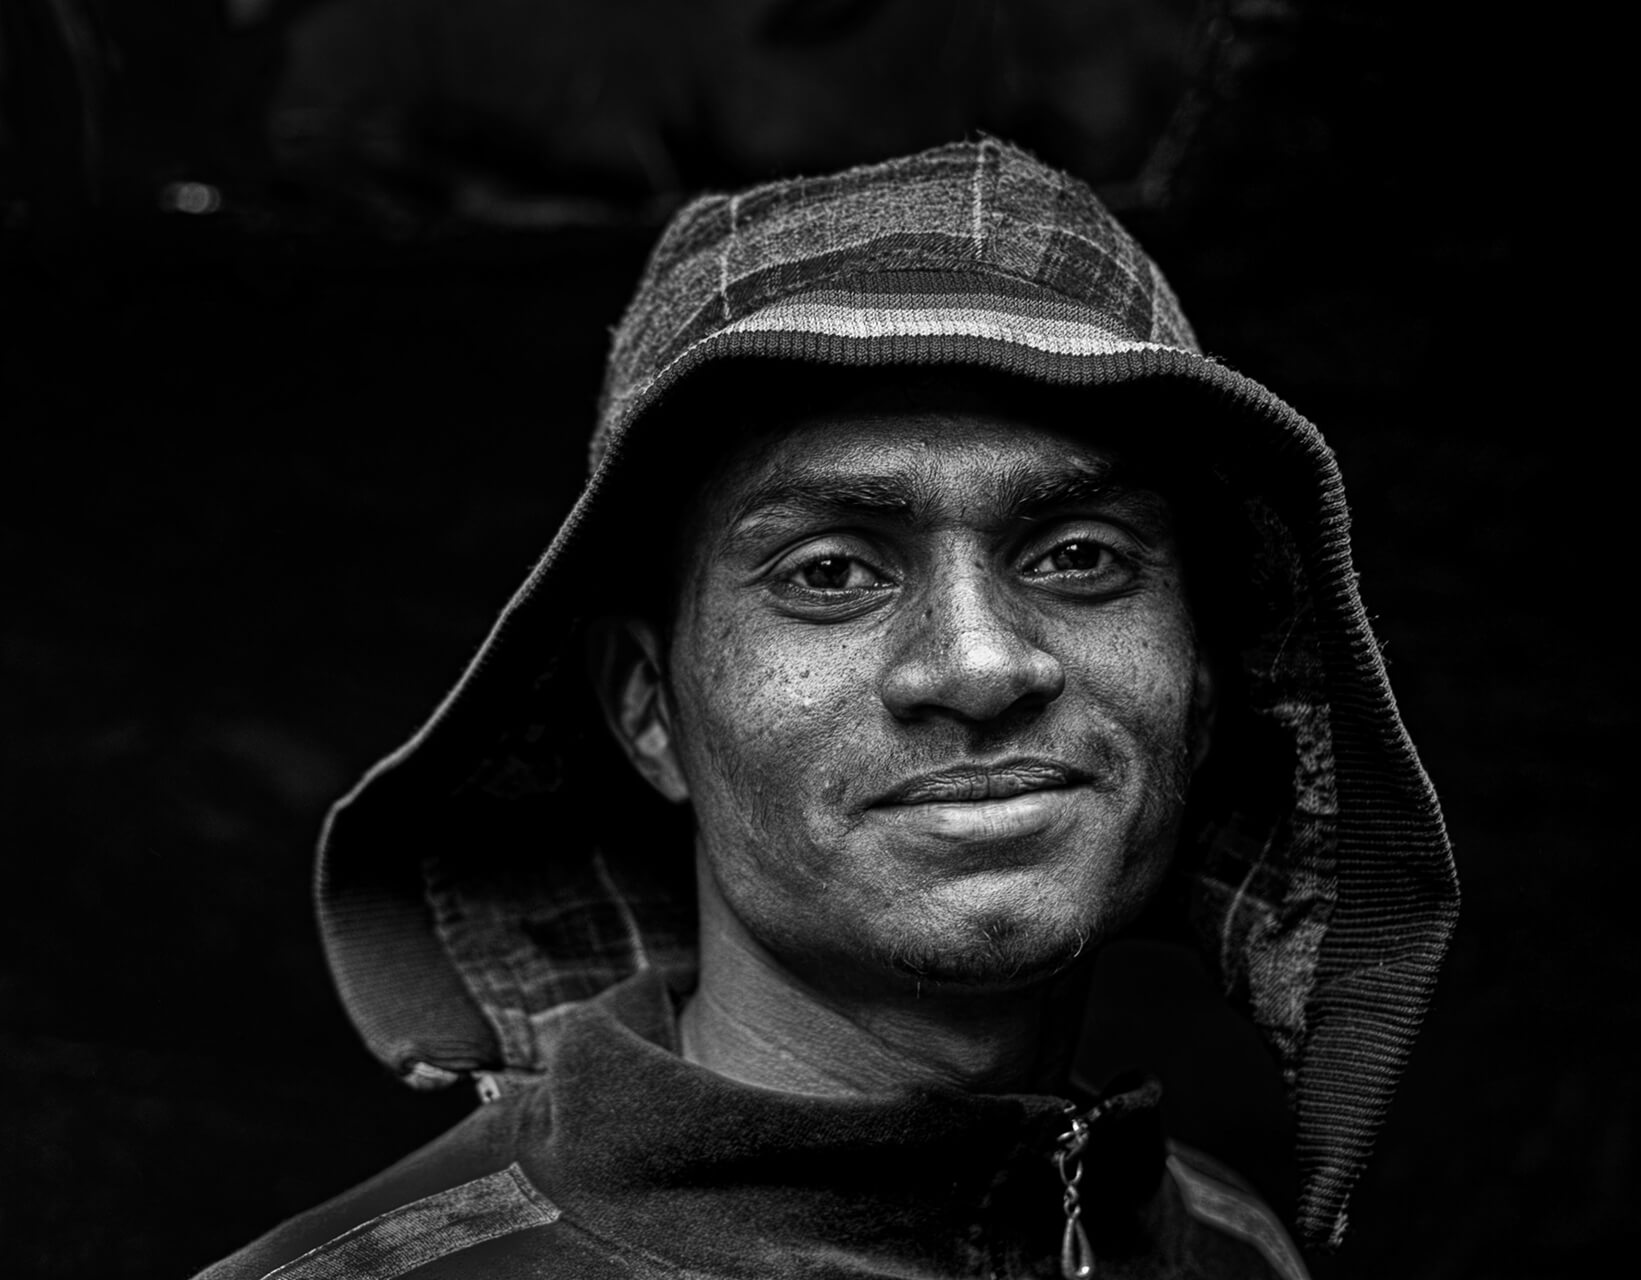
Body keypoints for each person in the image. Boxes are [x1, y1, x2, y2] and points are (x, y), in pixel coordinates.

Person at [196, 137, 1459, 1280]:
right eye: (831, 570)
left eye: (1078, 555)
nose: (979, 664)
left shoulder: (1230, 1249)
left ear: (1204, 679)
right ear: (649, 708)